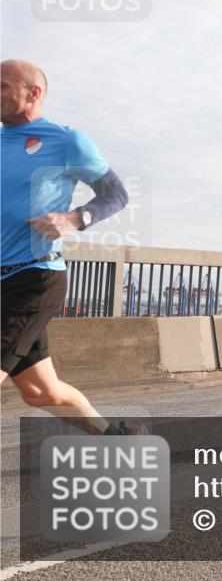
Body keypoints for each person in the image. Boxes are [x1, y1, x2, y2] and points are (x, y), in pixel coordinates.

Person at [1, 59, 140, 436]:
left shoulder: (64, 140)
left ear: (34, 93)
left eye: (2, 85)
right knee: (40, 392)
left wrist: (75, 219)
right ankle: (119, 437)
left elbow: (116, 193)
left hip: (34, 276)